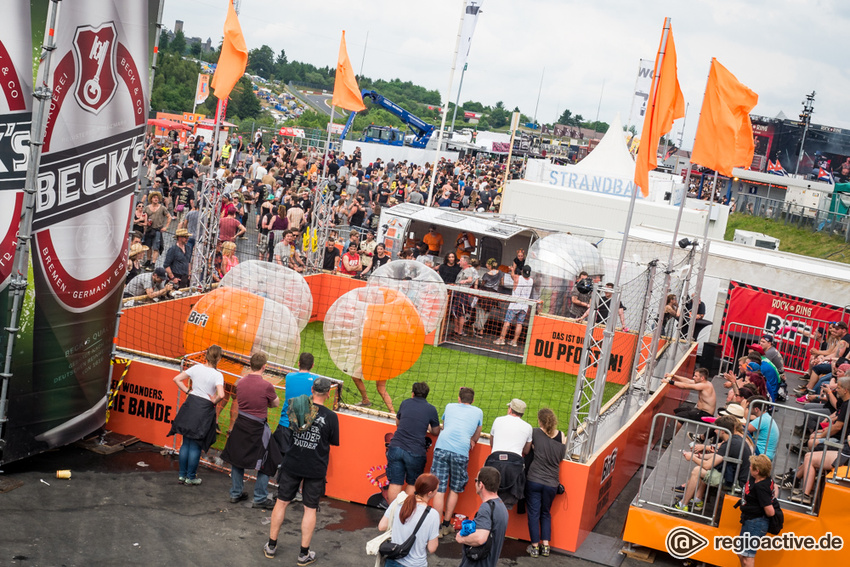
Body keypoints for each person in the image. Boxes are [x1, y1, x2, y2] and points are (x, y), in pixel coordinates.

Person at [265, 378, 339, 564]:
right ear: (328, 393)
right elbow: (332, 441)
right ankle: (303, 554)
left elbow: (291, 430)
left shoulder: (298, 406)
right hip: (315, 466)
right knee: (310, 509)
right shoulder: (331, 417)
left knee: (281, 503)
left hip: (293, 462)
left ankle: (271, 546)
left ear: (312, 389)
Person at [220, 352, 279, 509]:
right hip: (257, 427)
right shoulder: (267, 386)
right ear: (264, 367)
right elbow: (275, 404)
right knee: (269, 459)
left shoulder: (241, 382)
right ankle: (260, 497)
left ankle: (235, 493)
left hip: (241, 424)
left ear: (250, 365)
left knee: (237, 459)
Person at [430, 387, 483, 538]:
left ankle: (435, 528)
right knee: (454, 489)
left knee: (439, 489)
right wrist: (472, 440)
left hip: (442, 447)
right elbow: (477, 433)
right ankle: (446, 525)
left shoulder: (449, 406)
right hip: (461, 451)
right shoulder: (478, 412)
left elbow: (446, 425)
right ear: (472, 401)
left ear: (459, 398)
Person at [167, 346, 225, 485]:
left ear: (206, 355)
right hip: (204, 409)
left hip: (191, 404)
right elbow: (222, 395)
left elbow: (176, 379)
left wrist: (188, 391)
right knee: (195, 445)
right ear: (219, 358)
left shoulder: (196, 368)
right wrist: (214, 401)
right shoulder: (218, 375)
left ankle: (182, 475)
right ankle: (191, 477)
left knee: (186, 442)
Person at [674, 415, 752, 513]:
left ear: (723, 430)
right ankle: (697, 500)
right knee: (704, 469)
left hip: (738, 482)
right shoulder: (734, 440)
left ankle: (682, 506)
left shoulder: (731, 443)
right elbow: (717, 456)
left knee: (697, 471)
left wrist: (692, 458)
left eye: (716, 429)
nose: (714, 431)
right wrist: (699, 456)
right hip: (737, 477)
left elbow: (707, 465)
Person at [386, 382, 441, 504]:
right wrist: (427, 426)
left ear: (413, 393)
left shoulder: (405, 403)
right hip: (415, 452)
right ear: (426, 395)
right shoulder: (431, 409)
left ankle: (392, 514)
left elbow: (398, 423)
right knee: (412, 482)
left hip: (396, 447)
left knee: (395, 481)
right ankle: (403, 512)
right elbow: (436, 431)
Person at [525, 408, 567, 558]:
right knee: (545, 513)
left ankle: (535, 547)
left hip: (534, 480)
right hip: (551, 483)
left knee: (533, 514)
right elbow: (561, 457)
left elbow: (528, 449)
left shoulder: (535, 432)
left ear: (540, 421)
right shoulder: (562, 436)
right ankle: (546, 546)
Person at [377, 473, 441, 567]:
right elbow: (432, 548)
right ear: (430, 493)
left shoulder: (399, 501)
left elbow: (382, 526)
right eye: (437, 489)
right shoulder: (433, 515)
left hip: (392, 560)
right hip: (415, 564)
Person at [456, 466, 509, 567]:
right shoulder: (501, 506)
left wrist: (461, 538)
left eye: (476, 480)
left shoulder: (486, 507)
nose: (475, 483)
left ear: (481, 485)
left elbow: (480, 538)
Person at [486, 398, 533, 509]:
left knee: (490, 499)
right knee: (505, 505)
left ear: (510, 409)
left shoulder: (498, 420)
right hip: (514, 466)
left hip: (495, 461)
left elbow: (491, 443)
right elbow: (526, 451)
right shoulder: (528, 427)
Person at [737, 455, 776, 567]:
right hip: (750, 521)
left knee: (748, 558)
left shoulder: (761, 487)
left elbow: (770, 512)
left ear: (757, 471)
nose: (749, 467)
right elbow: (775, 489)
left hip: (756, 523)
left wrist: (767, 502)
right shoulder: (765, 480)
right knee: (741, 554)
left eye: (751, 466)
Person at [665, 368, 716, 433]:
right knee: (677, 411)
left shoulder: (705, 385)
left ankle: (674, 438)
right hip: (699, 411)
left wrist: (670, 382)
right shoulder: (703, 382)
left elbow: (685, 386)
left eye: (696, 376)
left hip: (705, 415)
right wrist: (673, 376)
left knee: (678, 417)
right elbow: (688, 381)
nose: (693, 377)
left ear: (702, 378)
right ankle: (680, 431)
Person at [494, 266, 533, 347]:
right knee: (519, 323)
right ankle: (514, 341)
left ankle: (501, 339)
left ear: (522, 271)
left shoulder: (517, 277)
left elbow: (512, 276)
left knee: (507, 321)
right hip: (525, 305)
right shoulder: (531, 281)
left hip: (514, 304)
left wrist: (512, 270)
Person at [472, 258, 502, 339]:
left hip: (485, 294)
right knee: (487, 312)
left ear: (488, 265)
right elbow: (501, 284)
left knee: (480, 311)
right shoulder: (500, 273)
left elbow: (482, 285)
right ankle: (479, 329)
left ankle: (478, 328)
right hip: (493, 296)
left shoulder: (486, 274)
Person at [746, 396, 780, 461]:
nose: (747, 409)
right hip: (766, 452)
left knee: (740, 437)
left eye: (749, 407)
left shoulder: (762, 419)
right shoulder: (766, 417)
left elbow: (743, 429)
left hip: (761, 453)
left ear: (756, 409)